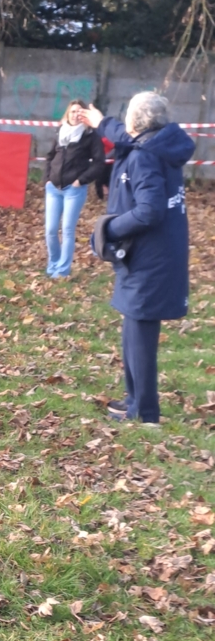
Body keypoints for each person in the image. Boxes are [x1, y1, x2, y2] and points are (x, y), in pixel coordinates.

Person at [79, 92, 194, 425]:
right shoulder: (155, 144)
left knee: (140, 334)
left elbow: (150, 211)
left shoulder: (144, 156)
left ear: (136, 120)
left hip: (150, 259)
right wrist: (101, 122)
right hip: (151, 254)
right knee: (133, 327)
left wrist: (107, 228)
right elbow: (124, 137)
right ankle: (134, 400)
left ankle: (146, 414)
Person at [44, 100, 106, 279]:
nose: (75, 115)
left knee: (67, 230)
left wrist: (81, 180)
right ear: (67, 114)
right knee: (50, 230)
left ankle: (62, 271)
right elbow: (50, 157)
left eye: (79, 112)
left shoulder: (90, 135)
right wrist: (47, 180)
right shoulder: (60, 131)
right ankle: (53, 265)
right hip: (53, 188)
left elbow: (99, 162)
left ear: (84, 115)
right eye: (72, 111)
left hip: (74, 190)